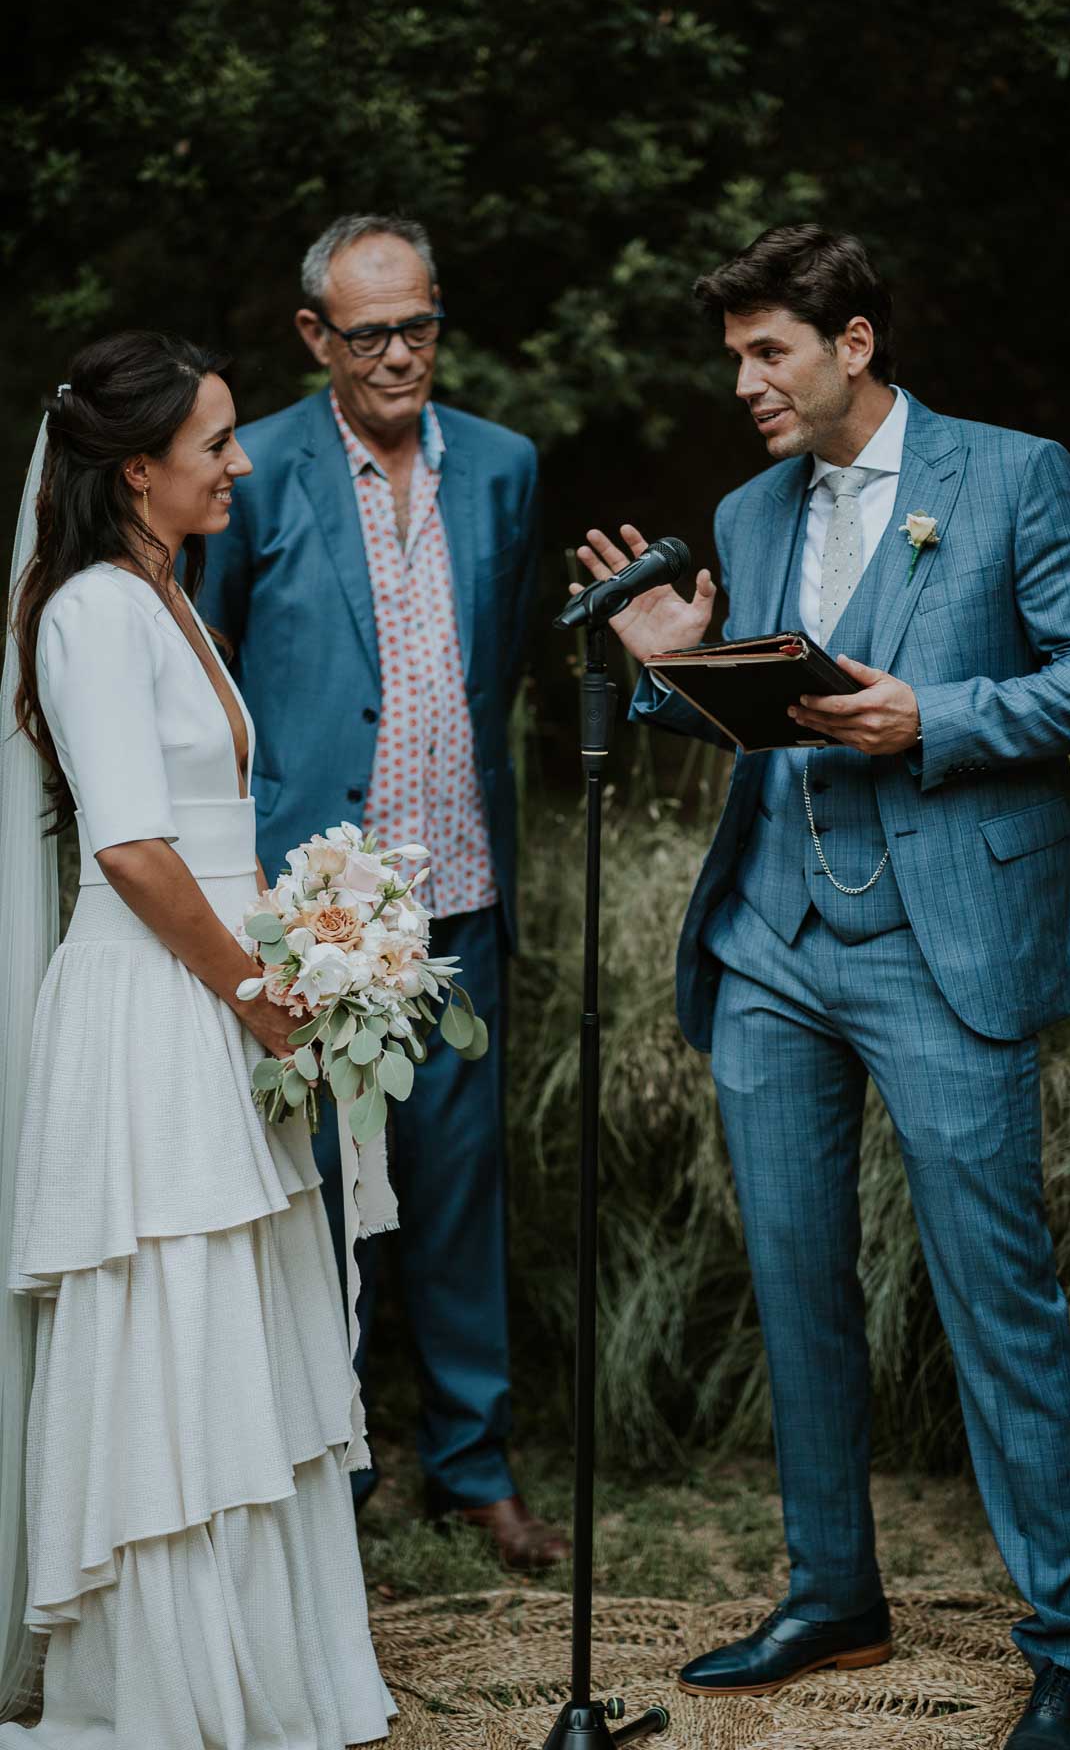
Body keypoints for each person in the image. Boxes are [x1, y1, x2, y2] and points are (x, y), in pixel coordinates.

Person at [572, 225, 1070, 1750]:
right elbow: (769, 718)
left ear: (854, 343)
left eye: (769, 353)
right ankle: (833, 1590)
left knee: (995, 1295)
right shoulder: (747, 509)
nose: (746, 383)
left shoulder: (1009, 476)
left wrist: (939, 714)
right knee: (794, 1281)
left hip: (943, 945)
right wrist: (675, 668)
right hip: (770, 939)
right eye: (736, 358)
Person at [0, 331, 394, 1746]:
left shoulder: (168, 595)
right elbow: (131, 848)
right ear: (132, 466)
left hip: (218, 992)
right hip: (162, 1003)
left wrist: (318, 944)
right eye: (215, 442)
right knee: (173, 1325)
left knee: (236, 1327)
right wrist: (253, 989)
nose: (238, 462)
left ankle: (263, 1661)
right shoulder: (93, 612)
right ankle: (166, 1686)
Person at [201, 213, 567, 1568]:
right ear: (316, 337)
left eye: (420, 325)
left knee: (461, 1194)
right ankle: (325, 1459)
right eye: (371, 334)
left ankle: (474, 1464)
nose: (402, 354)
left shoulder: (506, 465)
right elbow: (213, 660)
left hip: (458, 898)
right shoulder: (260, 465)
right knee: (317, 1202)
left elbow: (504, 656)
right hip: (315, 918)